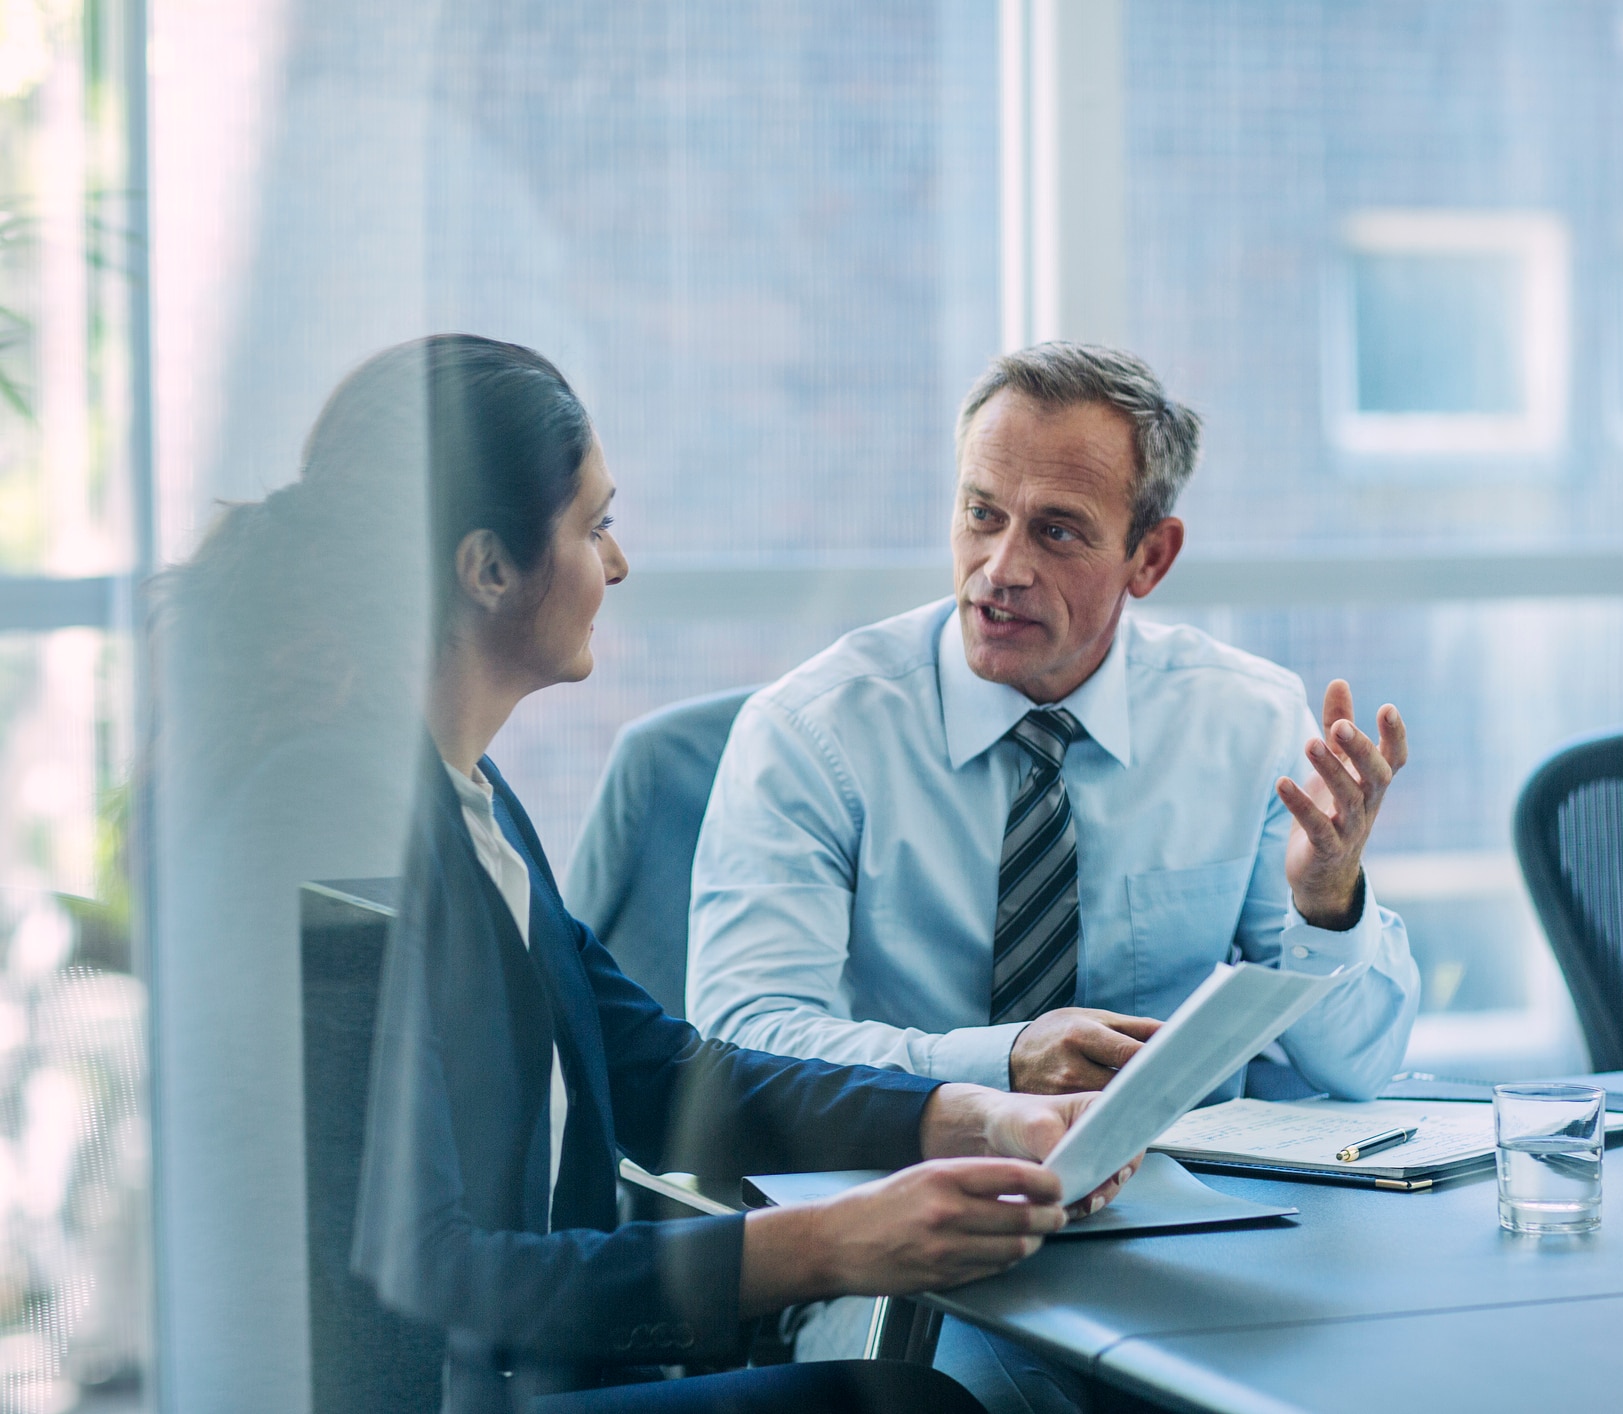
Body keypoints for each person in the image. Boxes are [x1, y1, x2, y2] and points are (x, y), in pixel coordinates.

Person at [347, 335, 1134, 1414]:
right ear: (488, 567)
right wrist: (826, 1244)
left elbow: (671, 1074)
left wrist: (971, 1116)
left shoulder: (473, 802)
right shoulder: (367, 845)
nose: (616, 566)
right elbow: (443, 1279)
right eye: (596, 527)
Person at [688, 342, 1418, 1105]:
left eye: (1056, 531)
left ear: (1150, 558)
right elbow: (745, 1042)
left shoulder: (1246, 724)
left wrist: (1327, 903)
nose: (1000, 568)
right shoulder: (812, 733)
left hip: (1182, 1197)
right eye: (982, 515)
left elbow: (1355, 1067)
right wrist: (998, 1065)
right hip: (898, 1187)